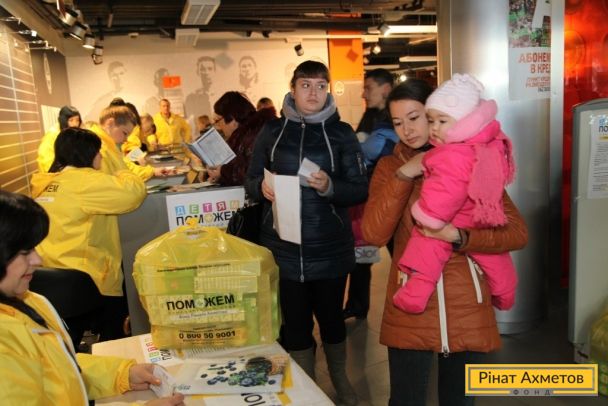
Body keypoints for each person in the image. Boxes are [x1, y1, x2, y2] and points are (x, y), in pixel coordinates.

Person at [361, 79, 528, 406]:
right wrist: (405, 174)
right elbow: (374, 233)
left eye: (415, 117)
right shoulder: (389, 166)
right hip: (410, 304)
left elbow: (517, 233)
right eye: (398, 122)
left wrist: (460, 237)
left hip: (466, 307)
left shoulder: (476, 160)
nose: (407, 130)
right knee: (405, 401)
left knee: (460, 402)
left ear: (435, 113)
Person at [245, 60, 368, 406]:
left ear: (328, 89)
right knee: (295, 327)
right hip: (282, 249)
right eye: (305, 85)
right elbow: (250, 178)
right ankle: (307, 387)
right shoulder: (272, 131)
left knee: (332, 321)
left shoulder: (341, 132)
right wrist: (260, 188)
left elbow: (360, 188)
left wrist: (331, 187)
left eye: (320, 86)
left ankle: (340, 378)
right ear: (293, 89)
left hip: (328, 249)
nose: (313, 93)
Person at [0, 190, 185, 405]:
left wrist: (121, 375)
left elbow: (56, 368)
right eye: (24, 253)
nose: (37, 260)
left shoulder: (25, 300)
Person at [395, 73, 518, 314]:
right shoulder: (485, 145)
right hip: (480, 217)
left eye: (442, 121)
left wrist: (427, 215)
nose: (434, 128)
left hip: (452, 217)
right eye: (431, 121)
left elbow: (446, 190)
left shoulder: (452, 154)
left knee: (426, 246)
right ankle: (506, 292)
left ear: (466, 122)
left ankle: (413, 296)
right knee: (496, 259)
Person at [31, 128, 147, 342]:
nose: (101, 156)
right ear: (87, 154)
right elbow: (134, 193)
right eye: (98, 152)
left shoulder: (46, 182)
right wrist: (120, 167)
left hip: (49, 275)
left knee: (68, 337)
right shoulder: (85, 182)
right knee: (117, 327)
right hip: (88, 279)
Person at [344, 68, 398, 321]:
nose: (364, 94)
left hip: (393, 198)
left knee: (402, 253)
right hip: (368, 198)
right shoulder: (370, 117)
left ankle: (411, 306)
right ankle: (357, 304)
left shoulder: (396, 118)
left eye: (368, 88)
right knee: (361, 253)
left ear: (385, 89)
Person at [206, 91, 275, 186]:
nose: (218, 126)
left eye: (217, 120)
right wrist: (220, 176)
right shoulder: (245, 134)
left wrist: (222, 172)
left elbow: (250, 173)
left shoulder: (254, 134)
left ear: (232, 118)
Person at [88, 105, 171, 180]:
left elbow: (126, 166)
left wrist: (152, 171)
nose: (126, 140)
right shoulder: (97, 149)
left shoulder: (111, 147)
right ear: (110, 123)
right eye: (125, 133)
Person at [37, 105, 82, 172]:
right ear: (63, 120)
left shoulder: (72, 133)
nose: (75, 124)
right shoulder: (52, 134)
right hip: (55, 174)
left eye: (77, 120)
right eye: (71, 120)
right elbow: (45, 160)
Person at [185, 56, 217, 125]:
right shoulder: (191, 98)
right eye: (203, 69)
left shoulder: (222, 96)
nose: (206, 73)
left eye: (210, 69)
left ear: (215, 71)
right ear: (198, 72)